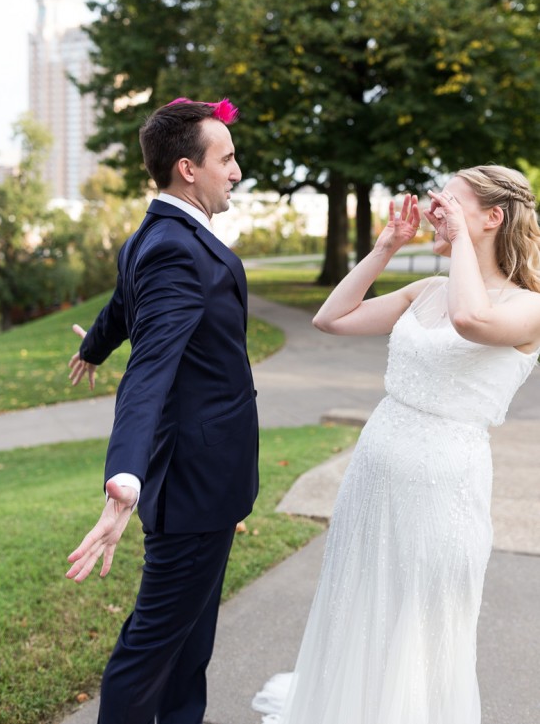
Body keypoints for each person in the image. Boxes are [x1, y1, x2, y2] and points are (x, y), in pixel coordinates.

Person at [253, 165, 540, 724]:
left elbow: (470, 318)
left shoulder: (528, 306)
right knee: (361, 604)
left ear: (492, 217)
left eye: (450, 204)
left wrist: (455, 239)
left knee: (418, 622)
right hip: (376, 471)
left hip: (444, 487)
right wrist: (386, 247)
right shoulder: (425, 289)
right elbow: (331, 318)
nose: (436, 209)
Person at [66, 97, 259, 724]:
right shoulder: (175, 249)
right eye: (225, 158)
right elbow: (149, 372)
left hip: (210, 479)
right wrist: (124, 477)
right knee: (151, 647)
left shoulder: (152, 236)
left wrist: (93, 348)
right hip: (194, 483)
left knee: (188, 644)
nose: (236, 170)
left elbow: (124, 307)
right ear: (187, 168)